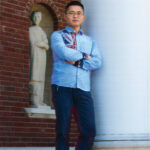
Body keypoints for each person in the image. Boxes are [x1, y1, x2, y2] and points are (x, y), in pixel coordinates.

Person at [50, 1, 102, 150]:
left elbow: (98, 62)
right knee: (63, 129)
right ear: (66, 16)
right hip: (62, 87)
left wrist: (78, 61)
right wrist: (87, 58)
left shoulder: (89, 41)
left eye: (78, 13)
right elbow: (64, 52)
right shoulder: (57, 36)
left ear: (83, 17)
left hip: (83, 89)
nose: (75, 16)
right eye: (71, 13)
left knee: (89, 129)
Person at [29, 11, 49, 108]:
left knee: (41, 78)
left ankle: (40, 100)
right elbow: (34, 43)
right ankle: (34, 100)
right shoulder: (31, 30)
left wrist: (42, 44)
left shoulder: (41, 30)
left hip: (42, 56)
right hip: (35, 55)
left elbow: (46, 45)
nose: (37, 18)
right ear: (32, 18)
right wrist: (42, 44)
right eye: (35, 16)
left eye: (39, 16)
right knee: (35, 76)